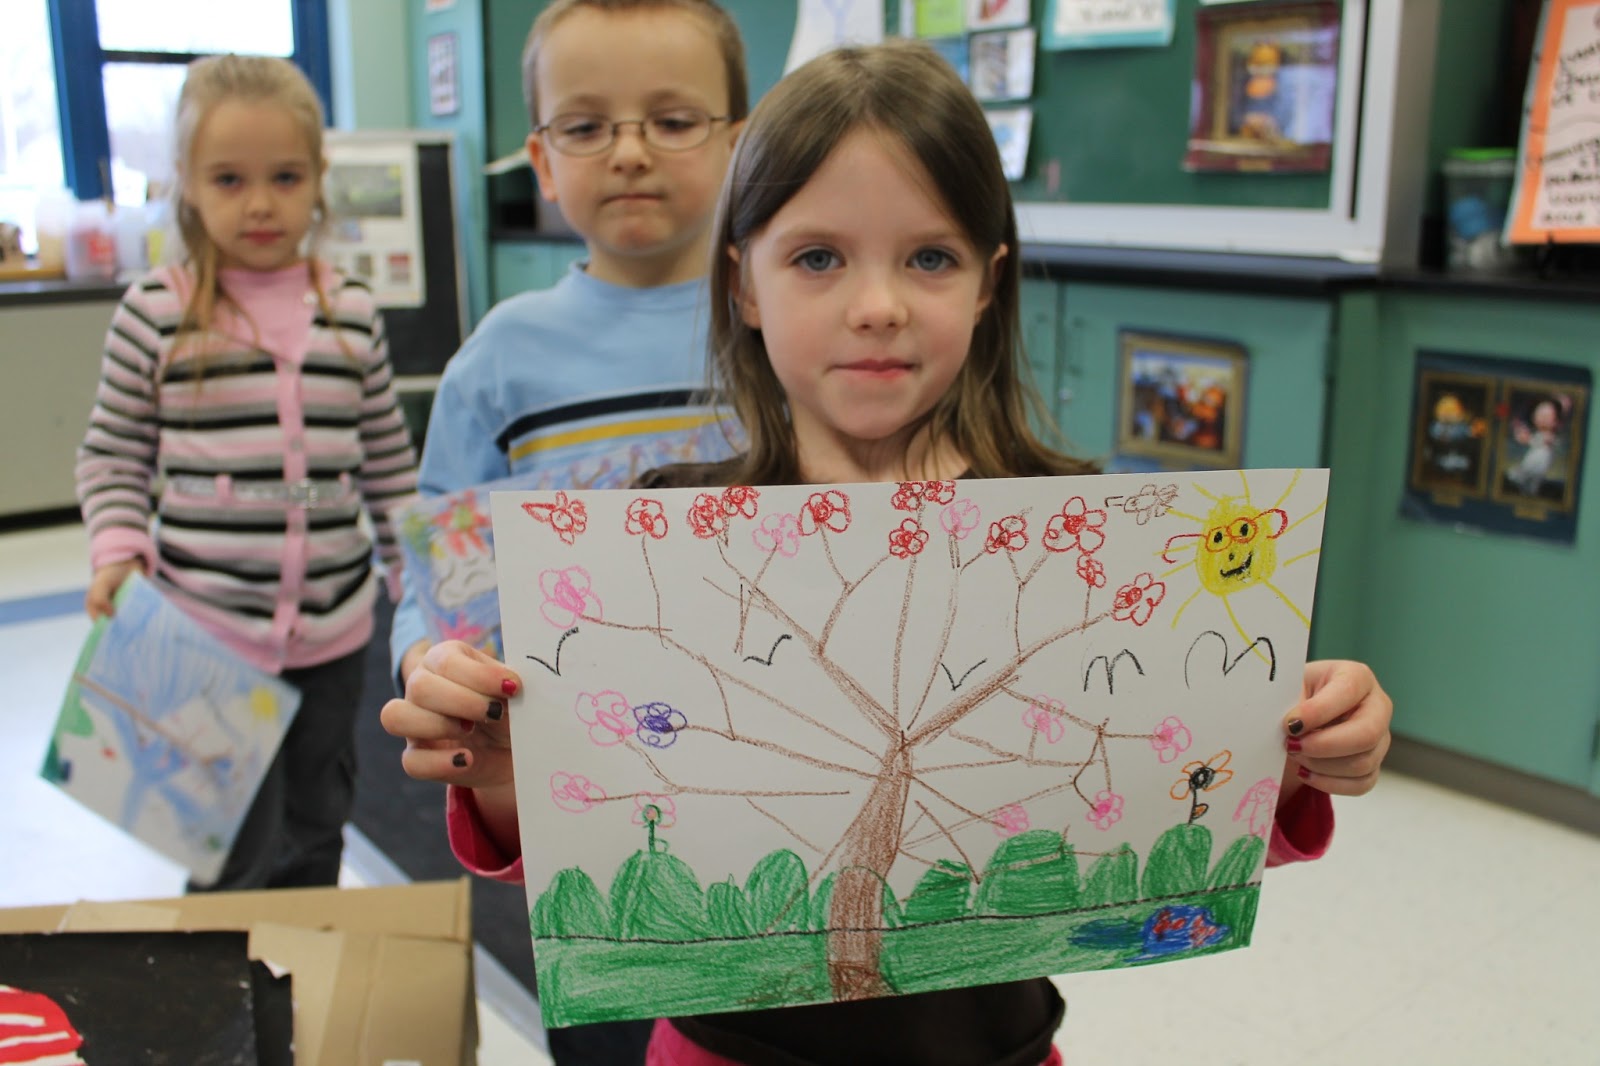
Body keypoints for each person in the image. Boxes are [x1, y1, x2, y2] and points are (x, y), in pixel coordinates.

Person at [381, 40, 1395, 1066]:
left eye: (930, 258)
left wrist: (1296, 755)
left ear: (989, 282)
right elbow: (591, 851)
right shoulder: (666, 532)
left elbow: (1178, 822)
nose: (878, 305)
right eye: (818, 258)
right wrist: (505, 770)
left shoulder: (1083, 535)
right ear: (742, 284)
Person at [75, 54, 419, 892]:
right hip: (205, 632)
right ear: (187, 183)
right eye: (229, 179)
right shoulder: (156, 313)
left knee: (317, 822)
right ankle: (228, 972)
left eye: (285, 177)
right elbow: (113, 452)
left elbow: (386, 462)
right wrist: (117, 549)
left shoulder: (352, 311)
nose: (260, 203)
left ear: (318, 180)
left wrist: (418, 575)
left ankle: (303, 961)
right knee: (226, 849)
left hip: (334, 631)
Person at [388, 0, 750, 686]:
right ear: (543, 163)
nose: (631, 154)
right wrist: (427, 663)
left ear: (737, 148)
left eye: (674, 122)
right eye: (584, 128)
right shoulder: (498, 359)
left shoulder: (787, 331)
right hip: (569, 715)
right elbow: (438, 571)